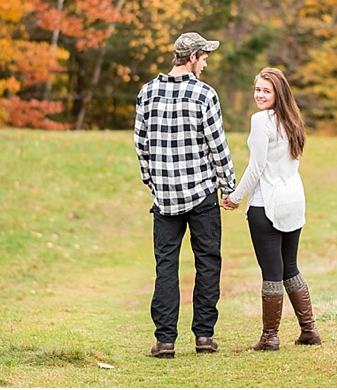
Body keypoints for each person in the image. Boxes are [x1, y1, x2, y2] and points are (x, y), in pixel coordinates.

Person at [134, 32, 237, 359]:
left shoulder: (147, 92)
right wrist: (229, 185)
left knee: (166, 265)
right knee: (208, 262)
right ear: (191, 56)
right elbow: (217, 146)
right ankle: (204, 336)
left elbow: (141, 145)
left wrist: (153, 181)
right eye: (204, 56)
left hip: (164, 198)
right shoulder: (204, 94)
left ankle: (165, 341)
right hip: (202, 193)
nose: (205, 62)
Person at [222, 67, 321, 351]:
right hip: (294, 200)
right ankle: (309, 330)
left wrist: (236, 196)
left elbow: (256, 167)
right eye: (257, 90)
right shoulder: (293, 119)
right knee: (290, 267)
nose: (260, 95)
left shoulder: (261, 120)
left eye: (266, 90)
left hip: (267, 205)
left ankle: (270, 337)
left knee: (272, 271)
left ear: (278, 93)